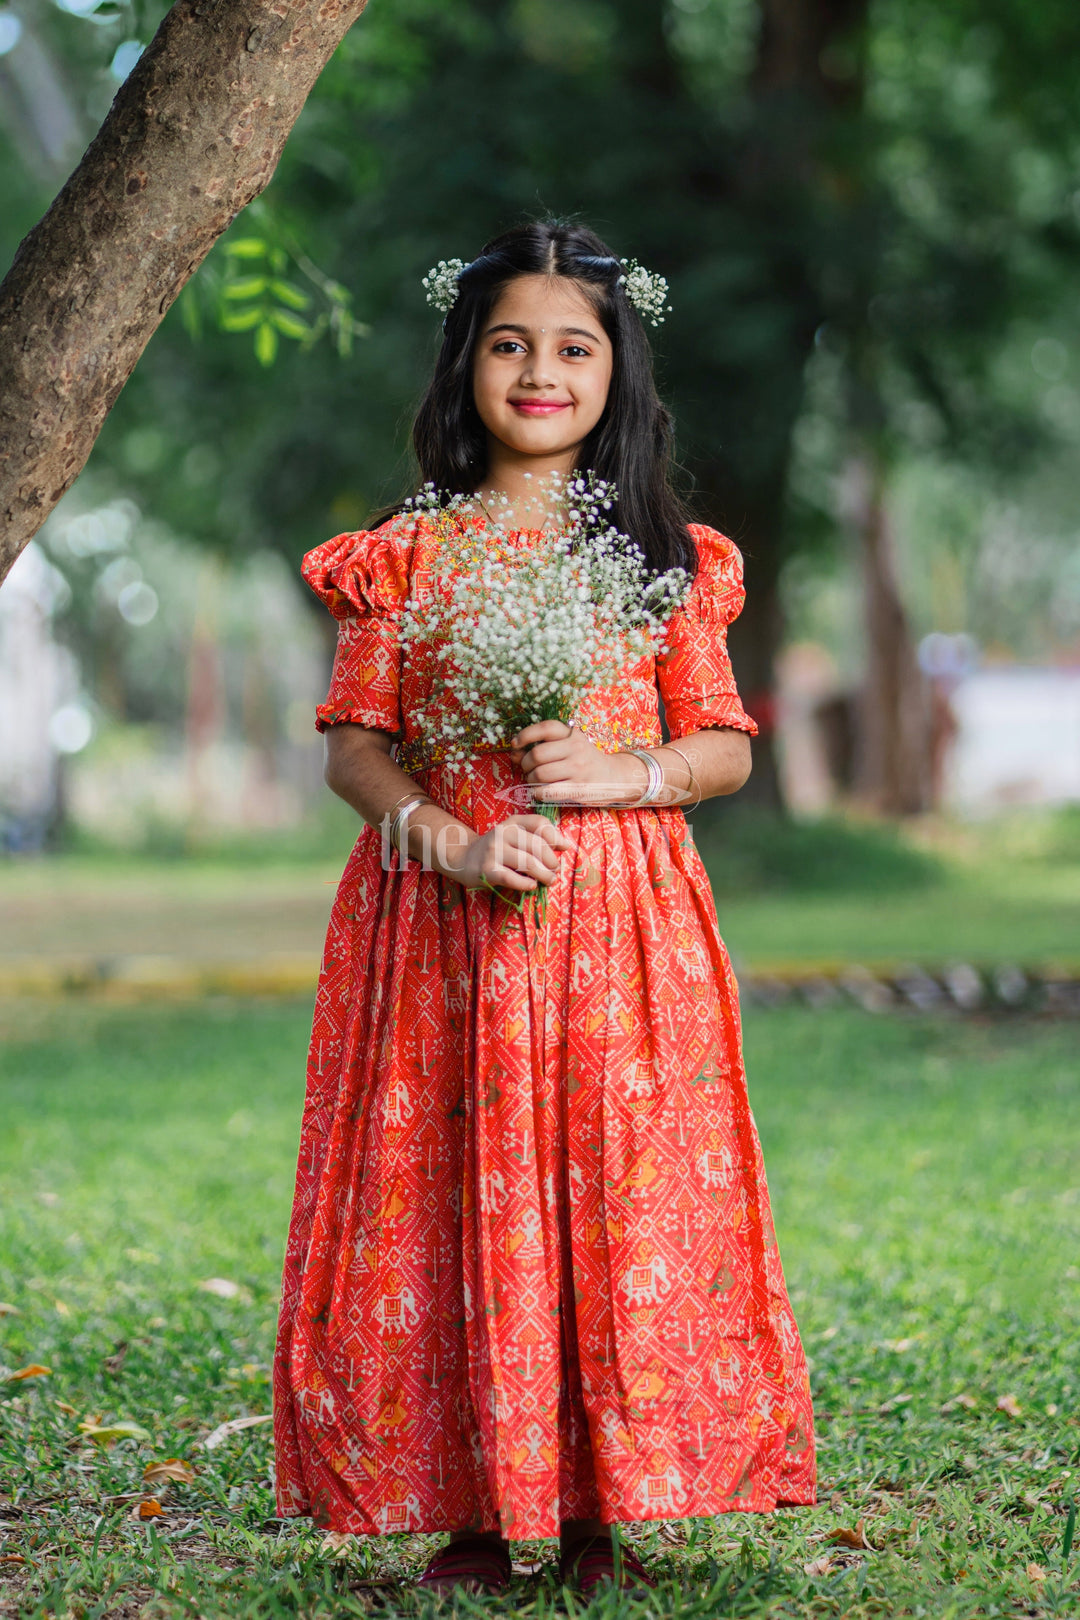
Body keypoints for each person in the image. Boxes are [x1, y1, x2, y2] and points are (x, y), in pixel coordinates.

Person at [272, 219, 815, 1597]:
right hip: (447, 925)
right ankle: (468, 1507)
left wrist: (628, 770)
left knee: (613, 1192)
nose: (539, 370)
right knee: (446, 1195)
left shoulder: (666, 559)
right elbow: (353, 744)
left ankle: (597, 1513)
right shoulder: (406, 555)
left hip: (620, 928)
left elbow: (725, 744)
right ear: (465, 366)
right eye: (508, 342)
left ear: (618, 375)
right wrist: (448, 841)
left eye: (574, 347)